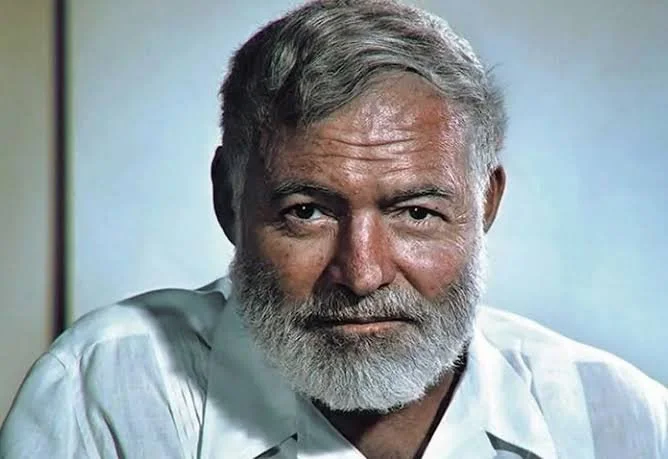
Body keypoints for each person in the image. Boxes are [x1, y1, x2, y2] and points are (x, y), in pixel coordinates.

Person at [2, 0, 666, 457]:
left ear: (485, 204)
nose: (362, 273)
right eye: (308, 211)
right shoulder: (108, 389)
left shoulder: (622, 421)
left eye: (415, 212)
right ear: (229, 200)